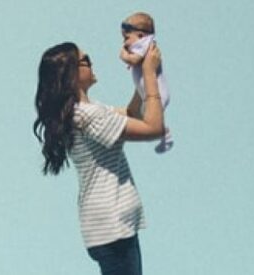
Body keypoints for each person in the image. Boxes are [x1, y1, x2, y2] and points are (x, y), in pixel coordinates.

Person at [34, 41, 165, 275]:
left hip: (107, 226)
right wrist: (150, 73)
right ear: (72, 73)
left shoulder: (85, 111)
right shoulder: (87, 115)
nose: (92, 63)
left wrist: (141, 76)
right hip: (113, 226)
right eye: (86, 60)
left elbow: (132, 114)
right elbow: (153, 127)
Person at [118, 12, 173, 154]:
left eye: (126, 38)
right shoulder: (142, 44)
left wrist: (124, 55)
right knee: (144, 116)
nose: (124, 43)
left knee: (149, 118)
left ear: (141, 35)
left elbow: (134, 60)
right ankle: (164, 134)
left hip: (158, 93)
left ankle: (164, 135)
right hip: (147, 94)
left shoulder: (145, 44)